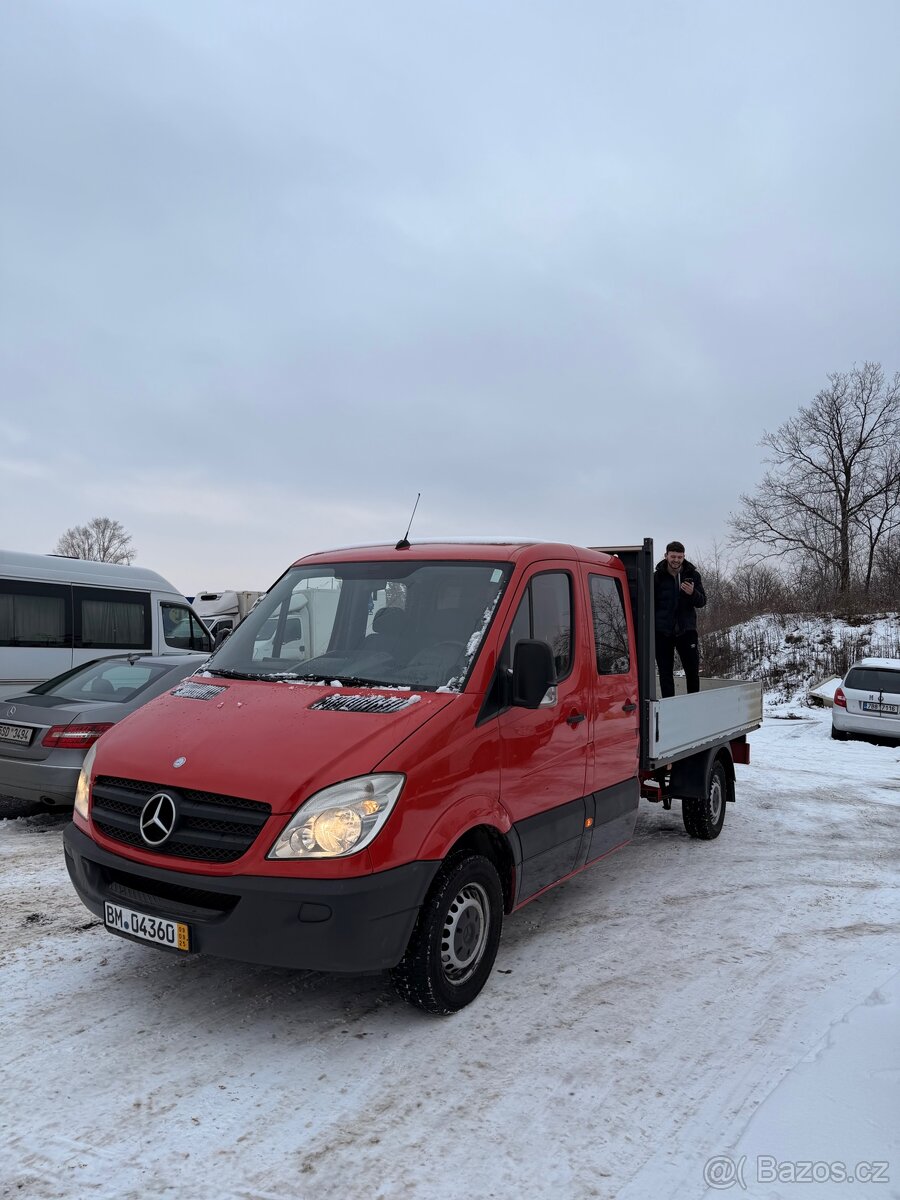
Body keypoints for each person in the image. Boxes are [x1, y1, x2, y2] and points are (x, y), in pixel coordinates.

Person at [654, 540, 706, 698]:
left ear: (684, 557)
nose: (676, 560)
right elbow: (650, 604)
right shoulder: (657, 576)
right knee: (665, 673)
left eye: (679, 557)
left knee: (692, 671)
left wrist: (692, 593)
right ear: (666, 556)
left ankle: (693, 705)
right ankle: (669, 706)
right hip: (662, 632)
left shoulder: (693, 575)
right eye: (673, 556)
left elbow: (702, 601)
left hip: (686, 630)